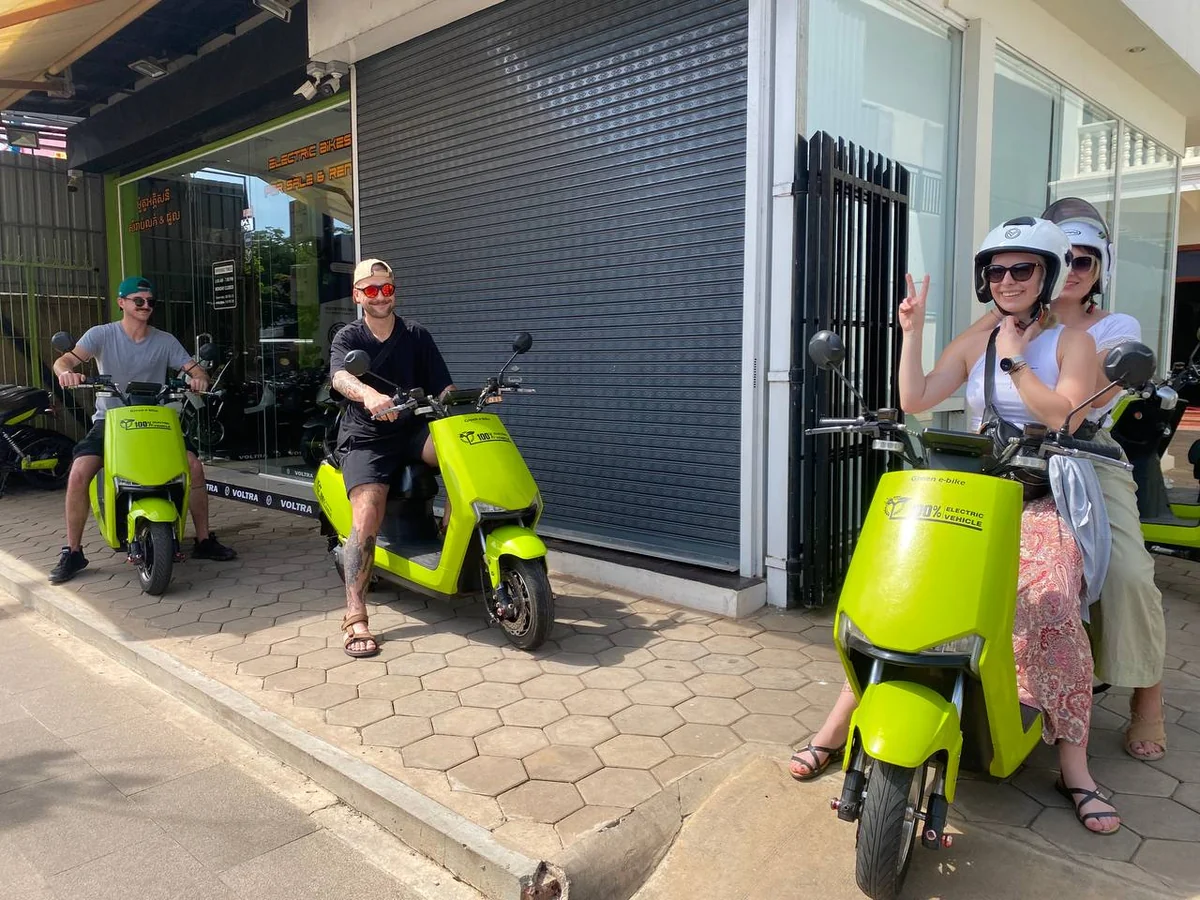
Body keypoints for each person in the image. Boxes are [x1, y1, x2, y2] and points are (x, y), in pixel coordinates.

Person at [789, 217, 1121, 835]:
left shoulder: (1073, 342)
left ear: (1046, 275)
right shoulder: (977, 338)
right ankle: (841, 721)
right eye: (997, 271)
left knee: (1049, 602)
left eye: (1022, 269)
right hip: (970, 494)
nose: (1008, 281)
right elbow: (916, 398)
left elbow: (1067, 418)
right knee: (901, 595)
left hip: (1038, 500)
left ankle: (1075, 766)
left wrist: (1019, 366)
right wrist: (910, 332)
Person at [961, 198, 1167, 762]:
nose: (1073, 271)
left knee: (1125, 569)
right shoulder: (1010, 314)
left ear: (1100, 269)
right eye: (1065, 258)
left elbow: (1071, 409)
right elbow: (949, 370)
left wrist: (1016, 352)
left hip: (1083, 455)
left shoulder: (1110, 328)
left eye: (1087, 261)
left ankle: (1148, 696)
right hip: (1007, 456)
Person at [48, 276, 237, 584]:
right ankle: (73, 551)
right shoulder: (101, 335)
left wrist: (199, 378)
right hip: (110, 420)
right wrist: (66, 373)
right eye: (139, 300)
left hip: (157, 420)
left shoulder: (165, 340)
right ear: (122, 303)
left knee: (194, 467)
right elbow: (64, 360)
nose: (146, 306)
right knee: (80, 472)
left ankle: (204, 540)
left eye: (150, 302)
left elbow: (194, 369)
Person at [328, 259, 455, 658]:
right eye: (370, 290)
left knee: (460, 453)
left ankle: (449, 535)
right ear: (357, 296)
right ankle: (355, 615)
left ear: (394, 290)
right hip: (367, 436)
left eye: (386, 288)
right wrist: (368, 395)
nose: (379, 296)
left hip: (412, 430)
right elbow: (340, 377)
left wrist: (468, 400)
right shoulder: (348, 337)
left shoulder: (417, 335)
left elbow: (443, 386)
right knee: (367, 509)